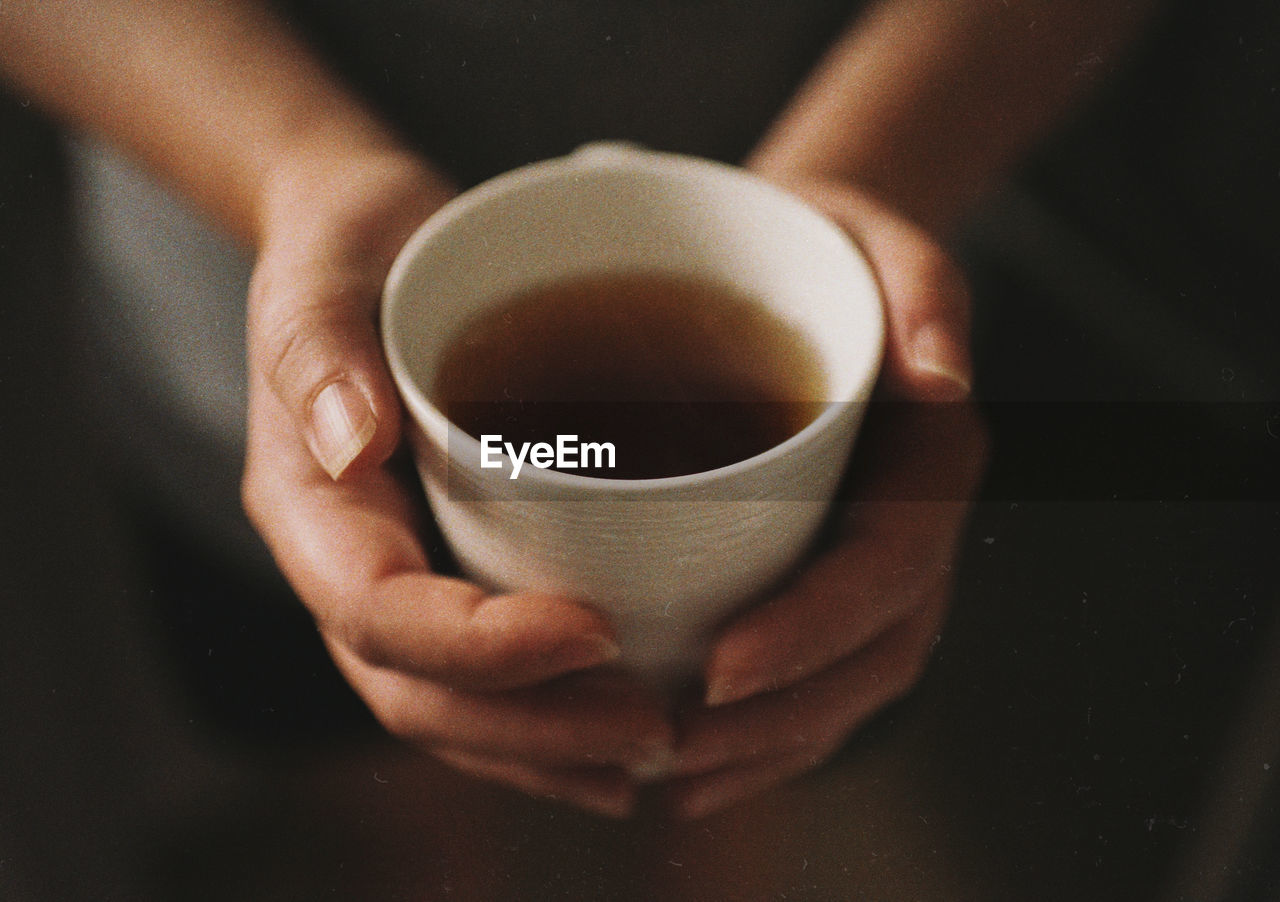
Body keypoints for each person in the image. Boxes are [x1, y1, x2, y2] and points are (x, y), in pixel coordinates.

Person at [0, 0, 1154, 820]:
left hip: (870, 297)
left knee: (747, 744)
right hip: (255, 366)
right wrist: (291, 168)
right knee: (371, 767)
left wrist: (869, 178)